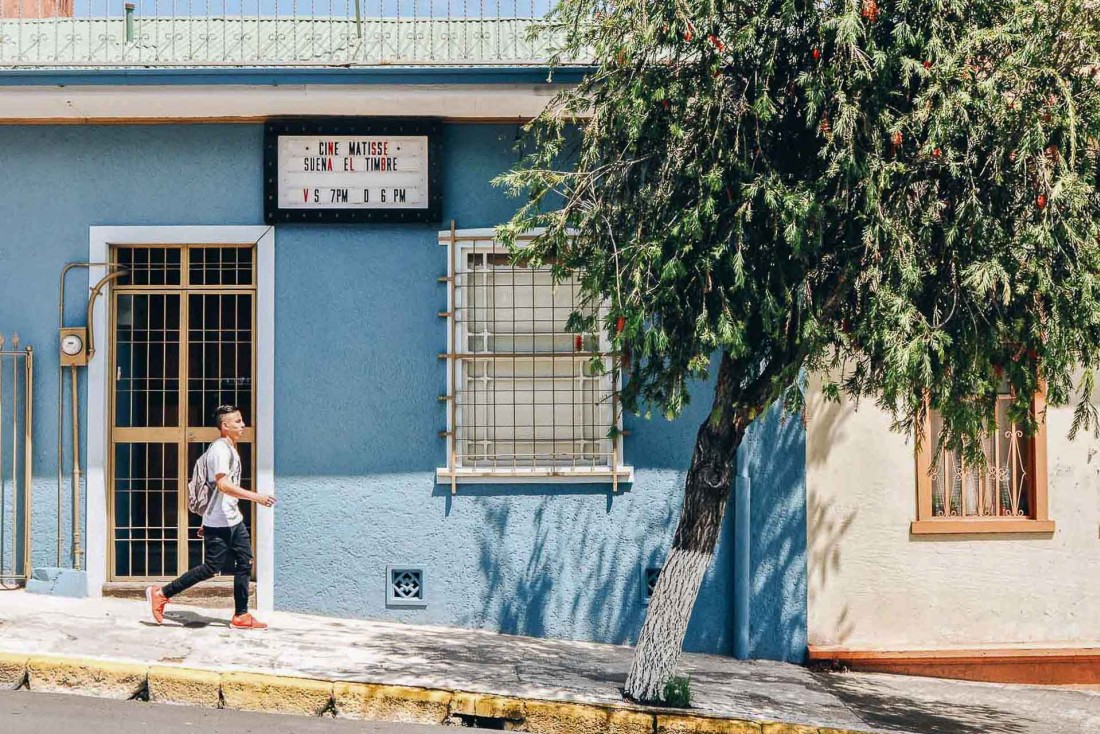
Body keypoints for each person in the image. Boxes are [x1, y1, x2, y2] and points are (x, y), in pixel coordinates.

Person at [146, 405, 276, 629]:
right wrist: (256, 497)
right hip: (220, 520)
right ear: (225, 426)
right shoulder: (220, 450)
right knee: (211, 567)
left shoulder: (229, 448)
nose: (243, 425)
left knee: (245, 562)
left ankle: (241, 615)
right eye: (237, 421)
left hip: (232, 519)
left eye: (242, 420)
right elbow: (223, 485)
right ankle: (162, 593)